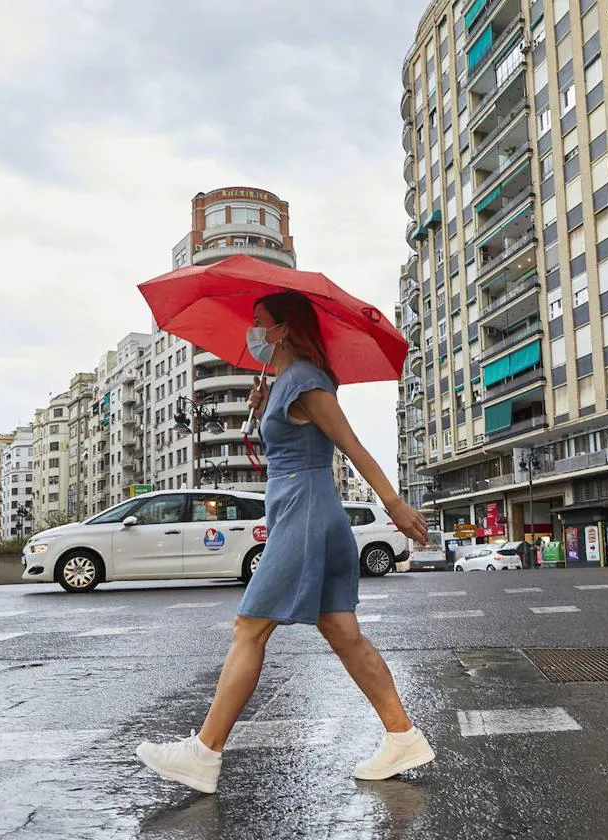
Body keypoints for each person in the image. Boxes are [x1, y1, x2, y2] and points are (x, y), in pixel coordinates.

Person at [136, 291, 435, 795]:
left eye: (259, 322)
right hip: (309, 511)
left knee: (248, 628)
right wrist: (266, 405)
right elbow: (293, 438)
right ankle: (402, 735)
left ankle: (204, 753)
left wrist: (394, 505)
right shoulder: (285, 384)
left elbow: (352, 445)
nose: (252, 332)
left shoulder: (303, 381)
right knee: (342, 632)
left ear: (282, 330)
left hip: (306, 512)